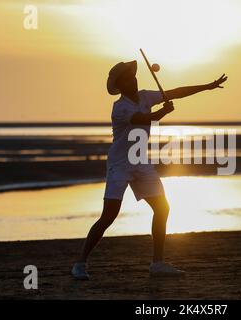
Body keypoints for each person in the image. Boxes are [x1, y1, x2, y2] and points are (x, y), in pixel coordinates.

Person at [72, 60, 227, 279]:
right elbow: (144, 118)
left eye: (133, 77)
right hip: (119, 164)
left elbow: (176, 92)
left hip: (141, 162)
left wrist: (207, 86)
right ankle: (80, 264)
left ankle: (157, 263)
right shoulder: (120, 108)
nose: (133, 81)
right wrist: (164, 111)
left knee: (162, 208)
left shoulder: (146, 96)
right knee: (109, 215)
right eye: (127, 79)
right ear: (121, 85)